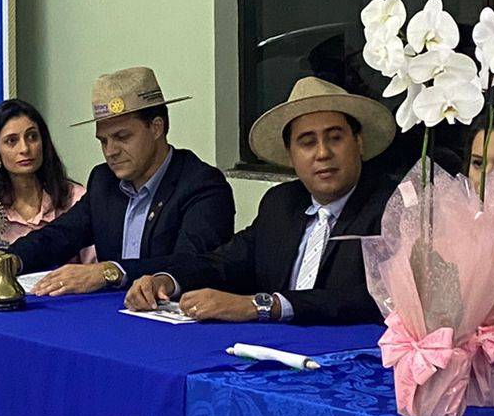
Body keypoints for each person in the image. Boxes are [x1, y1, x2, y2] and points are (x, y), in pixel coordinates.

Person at [126, 76, 396, 325]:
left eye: (335, 138)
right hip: (273, 349)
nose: (323, 153)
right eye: (307, 143)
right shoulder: (281, 203)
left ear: (359, 143)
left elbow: (377, 298)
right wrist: (167, 280)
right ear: (290, 155)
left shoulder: (392, 207)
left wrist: (263, 305)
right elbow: (224, 263)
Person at [8, 67, 234, 296]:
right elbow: (60, 235)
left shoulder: (202, 185)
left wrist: (110, 272)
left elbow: (193, 264)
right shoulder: (104, 180)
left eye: (122, 137)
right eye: (103, 141)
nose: (110, 151)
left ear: (156, 128)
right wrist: (11, 260)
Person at [0, 100, 89, 259]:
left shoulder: (76, 199)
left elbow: (95, 267)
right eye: (12, 141)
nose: (25, 149)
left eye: (32, 137)